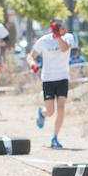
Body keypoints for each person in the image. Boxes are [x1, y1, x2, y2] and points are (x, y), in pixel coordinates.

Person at [28, 18, 76, 149]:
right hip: (48, 78)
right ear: (55, 29)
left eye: (65, 27)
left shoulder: (69, 37)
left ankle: (55, 137)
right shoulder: (44, 40)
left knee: (61, 108)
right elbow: (31, 55)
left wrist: (58, 37)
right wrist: (33, 64)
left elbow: (65, 49)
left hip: (62, 77)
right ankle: (41, 113)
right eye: (62, 28)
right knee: (50, 112)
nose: (65, 30)